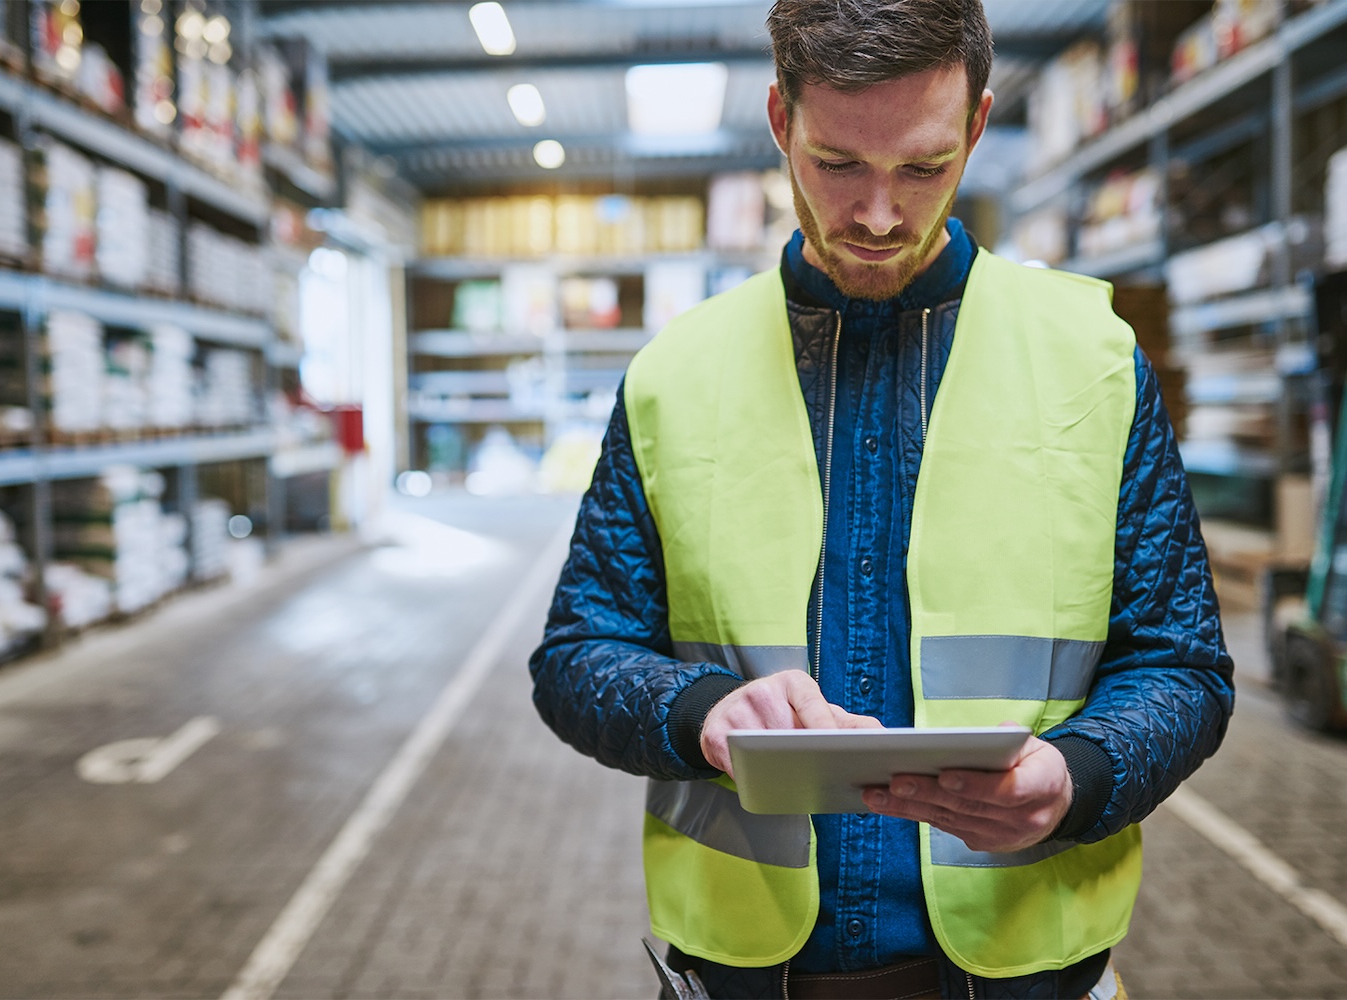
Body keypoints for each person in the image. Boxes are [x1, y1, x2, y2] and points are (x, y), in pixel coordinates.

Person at [528, 1, 1235, 997]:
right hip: (747, 974)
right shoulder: (674, 376)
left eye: (921, 167)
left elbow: (1184, 665)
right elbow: (576, 656)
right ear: (781, 120)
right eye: (837, 164)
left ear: (977, 126)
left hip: (1026, 970)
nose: (876, 214)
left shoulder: (1095, 362)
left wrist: (1080, 774)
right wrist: (699, 711)